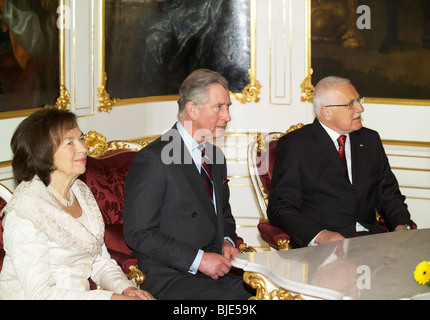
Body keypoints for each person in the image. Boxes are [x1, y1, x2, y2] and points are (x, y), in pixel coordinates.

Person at [123, 68, 252, 299]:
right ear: (192, 110)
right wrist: (199, 260)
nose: (227, 116)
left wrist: (226, 240)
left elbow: (223, 214)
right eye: (219, 107)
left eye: (228, 107)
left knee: (272, 291)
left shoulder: (215, 157)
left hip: (216, 269)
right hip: (170, 274)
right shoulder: (153, 158)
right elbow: (139, 233)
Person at [0, 108, 154, 300]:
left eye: (80, 139)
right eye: (69, 143)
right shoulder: (26, 211)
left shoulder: (81, 193)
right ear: (43, 154)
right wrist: (111, 298)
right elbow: (40, 294)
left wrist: (126, 289)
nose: (83, 148)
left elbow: (100, 261)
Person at [267, 76, 413, 248]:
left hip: (370, 241)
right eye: (351, 104)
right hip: (323, 247)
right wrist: (320, 235)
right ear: (326, 112)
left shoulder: (370, 140)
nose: (360, 108)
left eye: (359, 100)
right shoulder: (296, 145)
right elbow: (280, 207)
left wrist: (402, 225)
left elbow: (389, 195)